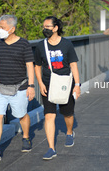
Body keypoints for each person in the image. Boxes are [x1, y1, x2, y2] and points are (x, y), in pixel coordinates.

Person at [0, 14, 35, 163]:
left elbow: (29, 66)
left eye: (3, 27)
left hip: (19, 87)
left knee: (21, 115)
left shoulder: (24, 44)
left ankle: (26, 137)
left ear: (12, 29)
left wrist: (31, 86)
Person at [34, 16, 81, 160]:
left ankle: (68, 132)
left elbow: (73, 65)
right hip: (48, 84)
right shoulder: (41, 46)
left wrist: (77, 85)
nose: (45, 29)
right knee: (49, 115)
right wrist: (40, 83)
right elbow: (37, 66)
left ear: (55, 28)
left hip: (65, 84)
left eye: (48, 26)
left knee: (67, 114)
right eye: (44, 26)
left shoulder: (67, 44)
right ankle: (51, 148)